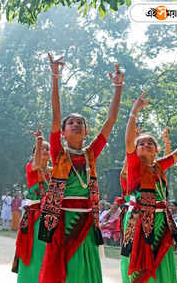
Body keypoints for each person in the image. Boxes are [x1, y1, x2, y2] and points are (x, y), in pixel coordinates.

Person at [38, 55, 123, 283]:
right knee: (65, 270)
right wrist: (55, 77)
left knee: (86, 269)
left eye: (80, 123)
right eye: (71, 123)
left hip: (87, 220)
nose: (75, 124)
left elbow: (110, 121)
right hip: (63, 220)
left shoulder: (91, 154)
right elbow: (56, 115)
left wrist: (118, 87)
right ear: (63, 132)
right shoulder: (58, 153)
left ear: (86, 132)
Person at [121, 91, 177, 283]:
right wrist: (134, 112)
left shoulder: (159, 166)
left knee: (162, 263)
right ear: (136, 149)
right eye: (141, 143)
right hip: (137, 219)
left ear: (156, 150)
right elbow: (128, 142)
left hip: (161, 220)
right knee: (138, 263)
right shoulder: (133, 167)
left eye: (150, 143)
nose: (146, 145)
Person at [13, 123, 51, 282]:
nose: (45, 151)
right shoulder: (31, 167)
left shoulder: (54, 172)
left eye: (47, 149)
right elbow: (36, 162)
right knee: (33, 252)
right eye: (41, 148)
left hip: (50, 218)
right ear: (34, 152)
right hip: (34, 219)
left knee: (47, 255)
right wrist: (39, 140)